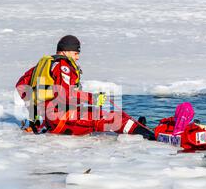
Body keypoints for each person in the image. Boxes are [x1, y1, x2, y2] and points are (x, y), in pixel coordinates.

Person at [15, 35, 154, 139]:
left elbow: (21, 86)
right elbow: (66, 96)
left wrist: (37, 115)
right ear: (65, 51)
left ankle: (138, 128)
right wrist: (92, 98)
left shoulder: (45, 64)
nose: (77, 58)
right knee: (111, 119)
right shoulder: (63, 66)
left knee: (106, 114)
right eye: (76, 53)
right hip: (62, 119)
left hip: (52, 119)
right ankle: (149, 136)